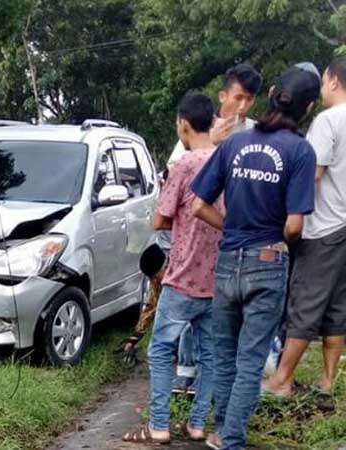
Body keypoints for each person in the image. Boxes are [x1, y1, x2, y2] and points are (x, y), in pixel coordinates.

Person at [191, 66, 320, 450]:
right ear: (309, 106)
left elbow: (199, 205)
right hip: (268, 260)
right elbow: (295, 226)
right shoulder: (300, 151)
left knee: (224, 354)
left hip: (228, 259)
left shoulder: (235, 143)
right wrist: (274, 238)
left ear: (273, 93)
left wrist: (232, 226)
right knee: (251, 360)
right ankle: (230, 440)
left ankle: (219, 432)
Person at [123, 92, 222, 445]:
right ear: (212, 121)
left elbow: (160, 218)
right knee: (210, 355)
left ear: (183, 124)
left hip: (182, 277)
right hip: (217, 279)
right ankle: (197, 425)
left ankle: (160, 425)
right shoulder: (227, 160)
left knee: (161, 350)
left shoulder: (184, 165)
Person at [263, 57, 346, 410]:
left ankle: (281, 381)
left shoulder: (328, 121)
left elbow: (311, 175)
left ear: (331, 80)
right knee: (337, 308)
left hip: (322, 227)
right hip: (344, 225)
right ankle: (327, 383)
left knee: (305, 305)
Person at [167, 64, 263, 167]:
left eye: (249, 99)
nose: (242, 106)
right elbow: (173, 166)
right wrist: (207, 142)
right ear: (222, 96)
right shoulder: (201, 124)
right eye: (238, 98)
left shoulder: (257, 131)